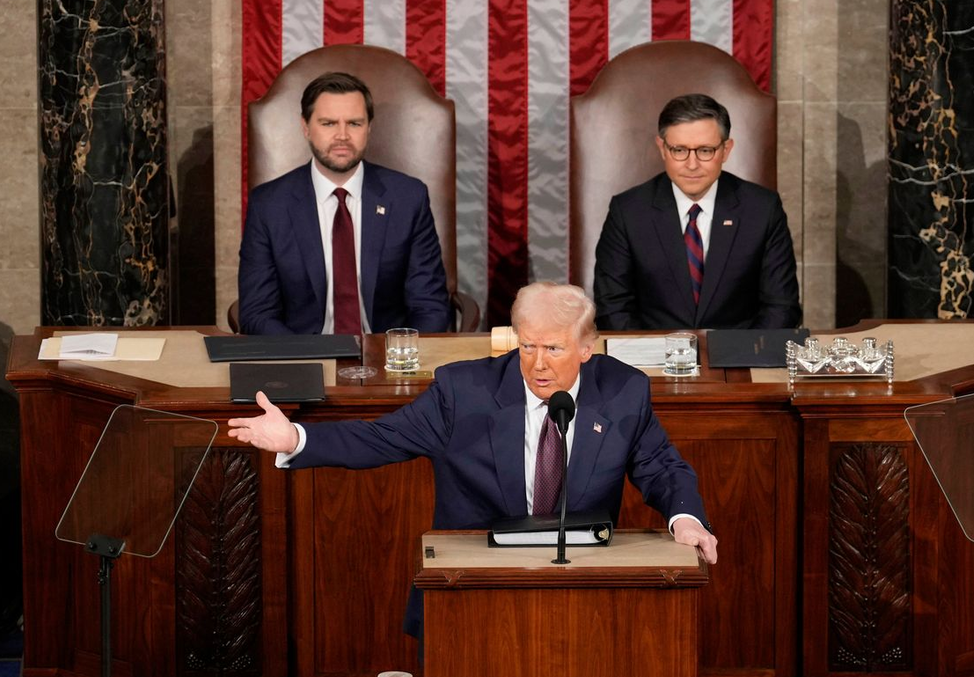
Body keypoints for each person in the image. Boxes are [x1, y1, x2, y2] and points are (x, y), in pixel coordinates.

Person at [228, 282, 717, 637]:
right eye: (527, 346)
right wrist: (295, 437)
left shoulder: (623, 391)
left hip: (583, 596)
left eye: (554, 348)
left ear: (587, 348)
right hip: (471, 595)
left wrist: (686, 518)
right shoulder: (464, 391)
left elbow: (660, 467)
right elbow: (381, 439)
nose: (539, 363)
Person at [237, 71, 453, 335]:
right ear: (305, 127)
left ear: (369, 128)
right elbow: (258, 312)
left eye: (354, 123)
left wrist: (401, 359)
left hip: (390, 360)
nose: (342, 135)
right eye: (328, 123)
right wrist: (304, 360)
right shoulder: (269, 205)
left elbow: (430, 305)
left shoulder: (408, 198)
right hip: (303, 359)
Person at [592, 93, 801, 331]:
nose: (692, 164)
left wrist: (746, 359)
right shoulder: (628, 211)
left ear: (726, 150)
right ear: (662, 148)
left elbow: (781, 307)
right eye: (679, 150)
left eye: (705, 151)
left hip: (740, 361)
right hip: (650, 362)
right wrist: (649, 361)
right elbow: (613, 308)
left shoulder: (762, 209)